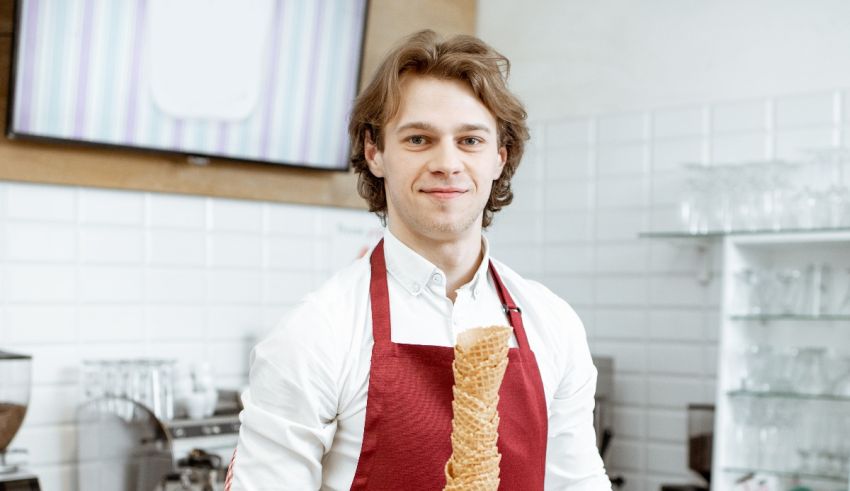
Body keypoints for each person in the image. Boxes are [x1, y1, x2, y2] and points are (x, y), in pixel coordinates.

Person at [226, 30, 611, 490]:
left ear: (499, 158)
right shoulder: (316, 333)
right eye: (418, 139)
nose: (447, 163)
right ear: (375, 154)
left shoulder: (553, 324)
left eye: (470, 141)